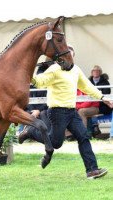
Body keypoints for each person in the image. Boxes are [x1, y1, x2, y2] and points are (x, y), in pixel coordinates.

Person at [19, 46, 113, 179]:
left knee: (83, 136)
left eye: (72, 56)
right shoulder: (54, 69)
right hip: (57, 112)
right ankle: (31, 132)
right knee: (56, 144)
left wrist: (103, 98)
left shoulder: (75, 69)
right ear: (61, 57)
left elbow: (86, 85)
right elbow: (40, 82)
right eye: (67, 56)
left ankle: (92, 170)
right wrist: (32, 77)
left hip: (72, 111)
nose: (70, 59)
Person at [88, 65, 111, 135]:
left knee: (87, 111)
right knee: (84, 110)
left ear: (100, 72)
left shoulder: (105, 82)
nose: (95, 72)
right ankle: (92, 130)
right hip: (90, 104)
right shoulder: (88, 82)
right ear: (92, 72)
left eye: (97, 71)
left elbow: (106, 94)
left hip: (102, 105)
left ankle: (94, 128)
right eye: (94, 71)